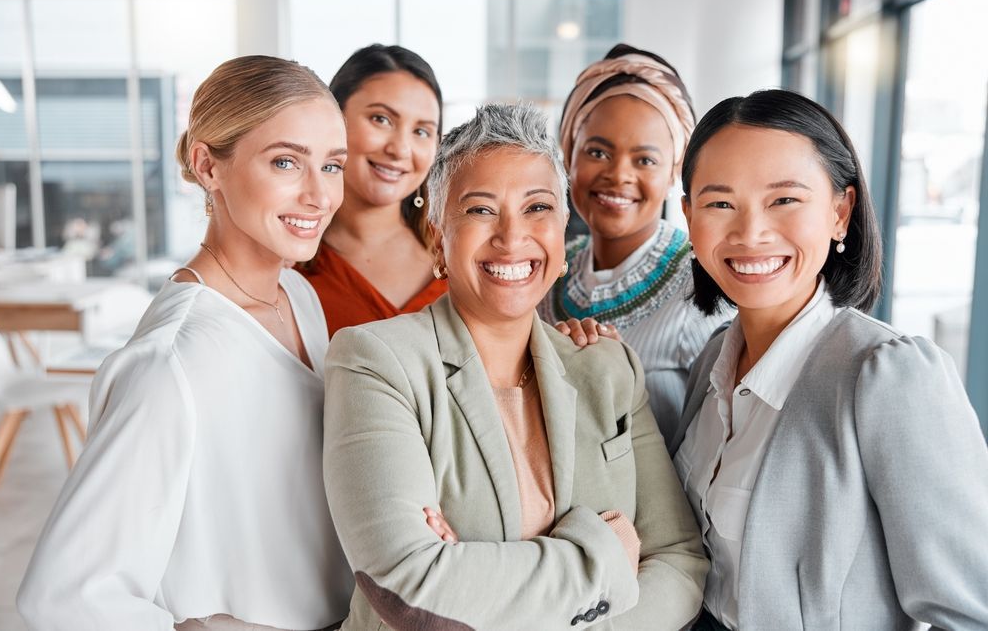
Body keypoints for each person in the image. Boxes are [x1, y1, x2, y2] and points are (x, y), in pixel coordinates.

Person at [323, 103, 708, 630]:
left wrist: (482, 584)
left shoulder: (608, 369)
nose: (511, 236)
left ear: (562, 236)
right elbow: (409, 586)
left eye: (537, 208)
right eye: (481, 210)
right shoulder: (376, 363)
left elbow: (681, 560)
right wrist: (607, 560)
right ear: (438, 239)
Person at [18, 55, 355, 631]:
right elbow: (62, 597)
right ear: (207, 165)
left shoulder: (298, 296)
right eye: (285, 162)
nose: (319, 195)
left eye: (332, 166)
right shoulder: (171, 361)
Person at [670, 88, 988, 630]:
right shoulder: (713, 359)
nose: (750, 232)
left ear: (840, 212)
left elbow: (971, 610)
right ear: (688, 216)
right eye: (720, 203)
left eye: (784, 200)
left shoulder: (889, 375)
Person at [539, 44, 732, 442]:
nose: (618, 175)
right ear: (568, 155)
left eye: (644, 160)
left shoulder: (703, 287)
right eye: (597, 152)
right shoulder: (548, 272)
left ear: (674, 171)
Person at [298, 44, 446, 336]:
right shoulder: (288, 264)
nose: (400, 149)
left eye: (421, 131)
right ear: (333, 119)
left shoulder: (458, 250)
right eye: (381, 119)